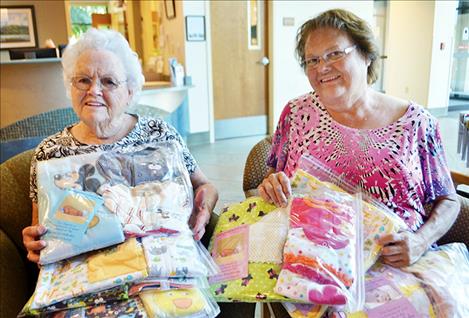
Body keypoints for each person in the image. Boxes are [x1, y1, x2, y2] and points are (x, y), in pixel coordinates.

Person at [258, 9, 460, 268]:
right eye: (312, 60)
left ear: (366, 55)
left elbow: (449, 200)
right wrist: (272, 184)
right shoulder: (296, 114)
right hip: (316, 263)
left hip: (399, 266)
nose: (323, 67)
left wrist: (421, 241)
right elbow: (274, 177)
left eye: (334, 54)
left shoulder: (417, 123)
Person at [22, 28, 218, 263]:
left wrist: (204, 206)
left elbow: (204, 186)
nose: (93, 90)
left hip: (161, 266)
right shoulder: (49, 153)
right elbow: (41, 228)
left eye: (109, 82)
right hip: (82, 276)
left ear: (129, 92)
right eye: (83, 80)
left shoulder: (159, 134)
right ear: (71, 87)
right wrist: (36, 241)